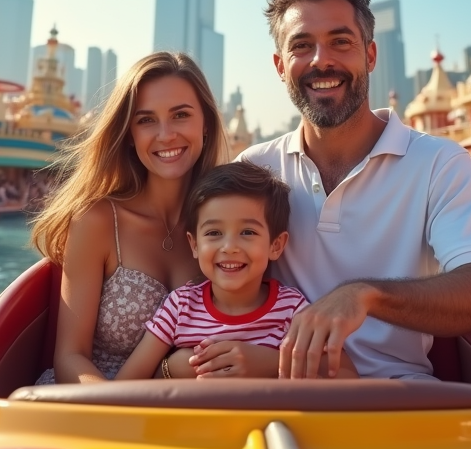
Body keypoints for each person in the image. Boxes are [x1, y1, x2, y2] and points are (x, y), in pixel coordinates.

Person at [219, 0, 471, 381]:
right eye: (302, 46)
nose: (322, 60)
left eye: (341, 41)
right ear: (281, 66)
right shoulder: (255, 169)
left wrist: (364, 296)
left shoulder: (439, 163)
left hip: (394, 398)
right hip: (282, 391)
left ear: (370, 55)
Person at [31, 52, 230, 384]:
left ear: (206, 124)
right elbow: (70, 356)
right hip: (97, 407)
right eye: (146, 120)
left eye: (180, 115)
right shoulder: (96, 220)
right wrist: (117, 415)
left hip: (194, 412)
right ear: (128, 134)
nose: (165, 134)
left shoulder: (231, 225)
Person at [115, 161, 357, 380]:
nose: (229, 247)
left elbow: (347, 377)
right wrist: (180, 369)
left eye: (248, 233)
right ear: (194, 244)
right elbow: (128, 383)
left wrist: (274, 364)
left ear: (276, 245)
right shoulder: (180, 307)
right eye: (214, 233)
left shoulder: (292, 310)